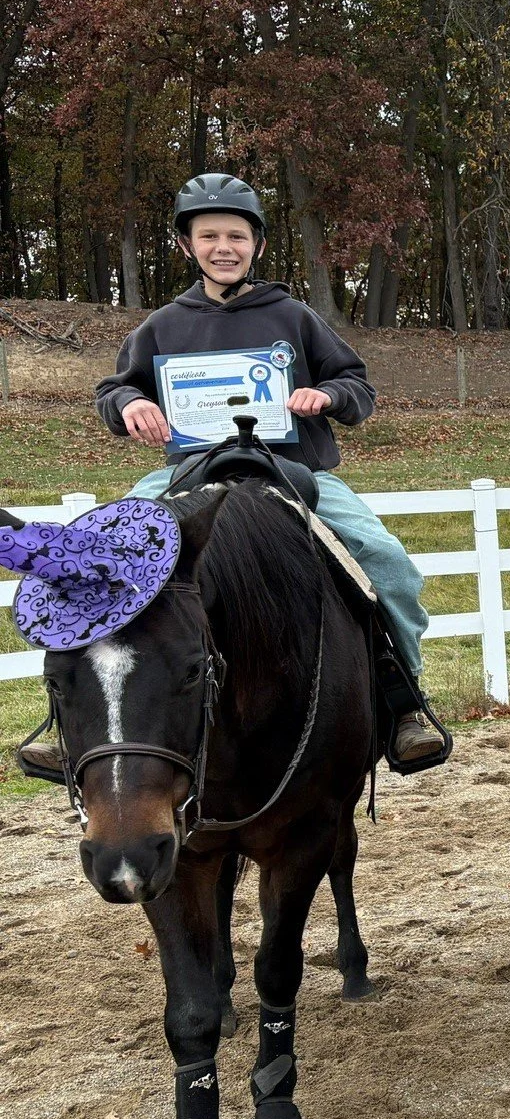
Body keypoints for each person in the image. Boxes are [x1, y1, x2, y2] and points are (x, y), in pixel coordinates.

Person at [20, 173, 448, 776]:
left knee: (388, 563)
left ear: (258, 246)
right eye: (210, 235)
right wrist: (130, 406)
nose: (224, 247)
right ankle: (67, 724)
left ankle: (407, 704)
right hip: (191, 471)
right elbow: (115, 388)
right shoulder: (165, 324)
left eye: (237, 236)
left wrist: (324, 398)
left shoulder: (293, 317)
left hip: (294, 471)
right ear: (188, 245)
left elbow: (358, 386)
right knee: (96, 563)